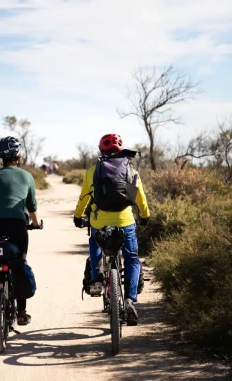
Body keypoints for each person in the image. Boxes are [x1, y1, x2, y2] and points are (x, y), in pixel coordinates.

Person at [73, 134, 150, 325]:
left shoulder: (93, 171)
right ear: (121, 150)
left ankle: (97, 277)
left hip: (100, 220)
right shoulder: (130, 170)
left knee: (94, 240)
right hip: (125, 221)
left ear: (102, 151)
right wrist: (145, 215)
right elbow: (138, 198)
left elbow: (85, 197)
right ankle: (130, 300)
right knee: (131, 259)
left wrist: (78, 216)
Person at [0, 136, 41, 326]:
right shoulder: (26, 176)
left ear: (1, 157)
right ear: (18, 155)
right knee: (19, 263)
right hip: (16, 224)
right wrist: (36, 223)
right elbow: (31, 206)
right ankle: (22, 313)